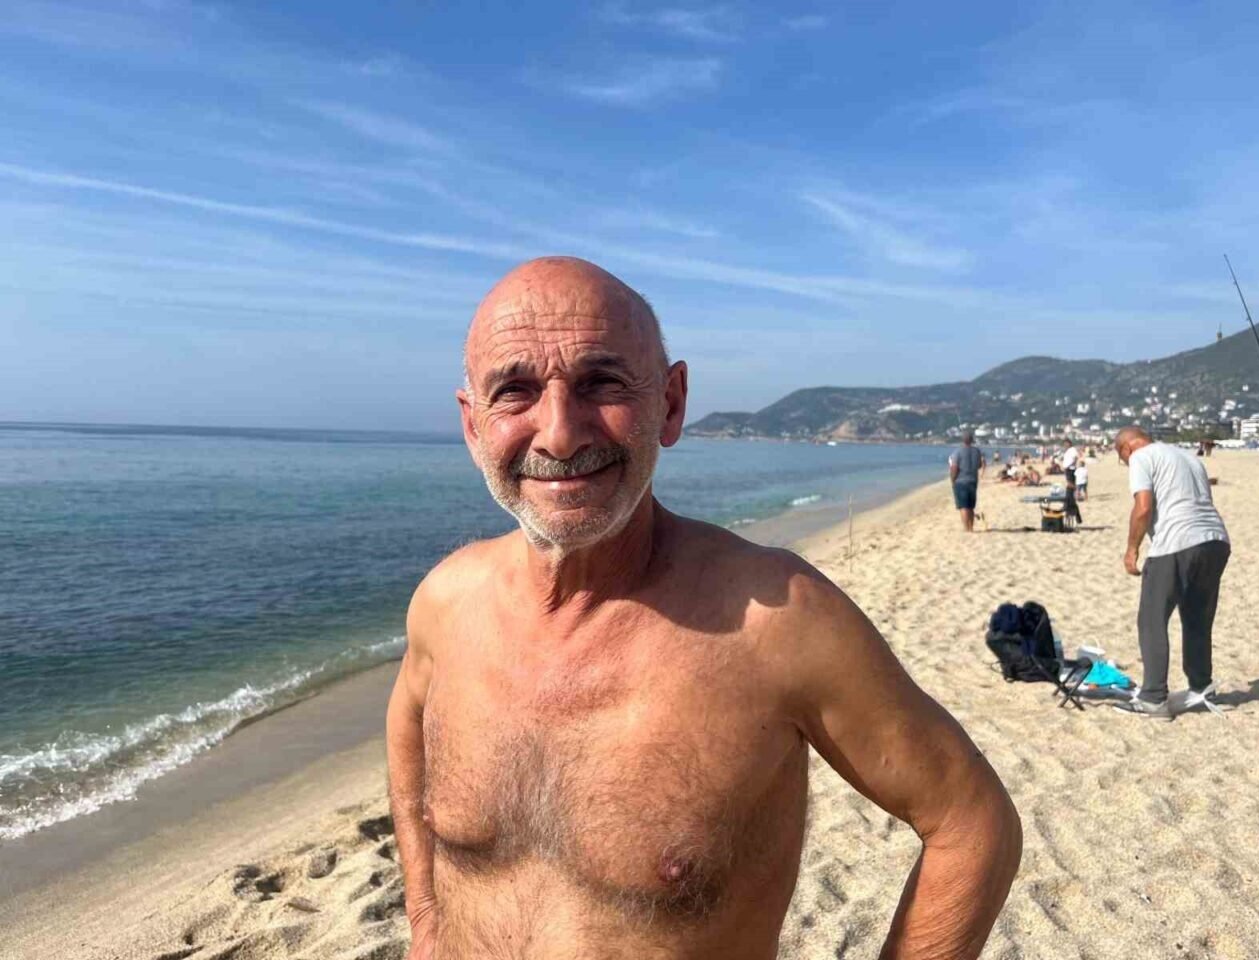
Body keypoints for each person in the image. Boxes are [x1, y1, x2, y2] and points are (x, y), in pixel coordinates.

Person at [385, 257, 1022, 959]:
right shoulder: (445, 605)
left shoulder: (776, 620)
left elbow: (971, 823)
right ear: (473, 424)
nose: (560, 434)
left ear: (671, 403)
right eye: (515, 391)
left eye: (602, 382)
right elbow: (407, 724)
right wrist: (426, 922)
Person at [1114, 426, 1231, 718]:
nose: (1125, 463)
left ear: (1127, 448)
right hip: (1215, 541)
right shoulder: (1190, 458)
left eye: (1122, 458)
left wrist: (1131, 549)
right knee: (1197, 619)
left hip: (1177, 542)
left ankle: (1153, 698)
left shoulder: (1141, 456)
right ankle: (1201, 690)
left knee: (1151, 619)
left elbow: (1143, 507)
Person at [948, 430, 986, 533]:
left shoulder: (957, 452)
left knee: (963, 506)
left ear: (962, 440)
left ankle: (966, 528)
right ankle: (971, 527)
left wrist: (952, 479)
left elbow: (954, 468)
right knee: (970, 506)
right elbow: (979, 465)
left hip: (961, 481)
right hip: (973, 481)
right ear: (972, 440)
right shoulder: (976, 451)